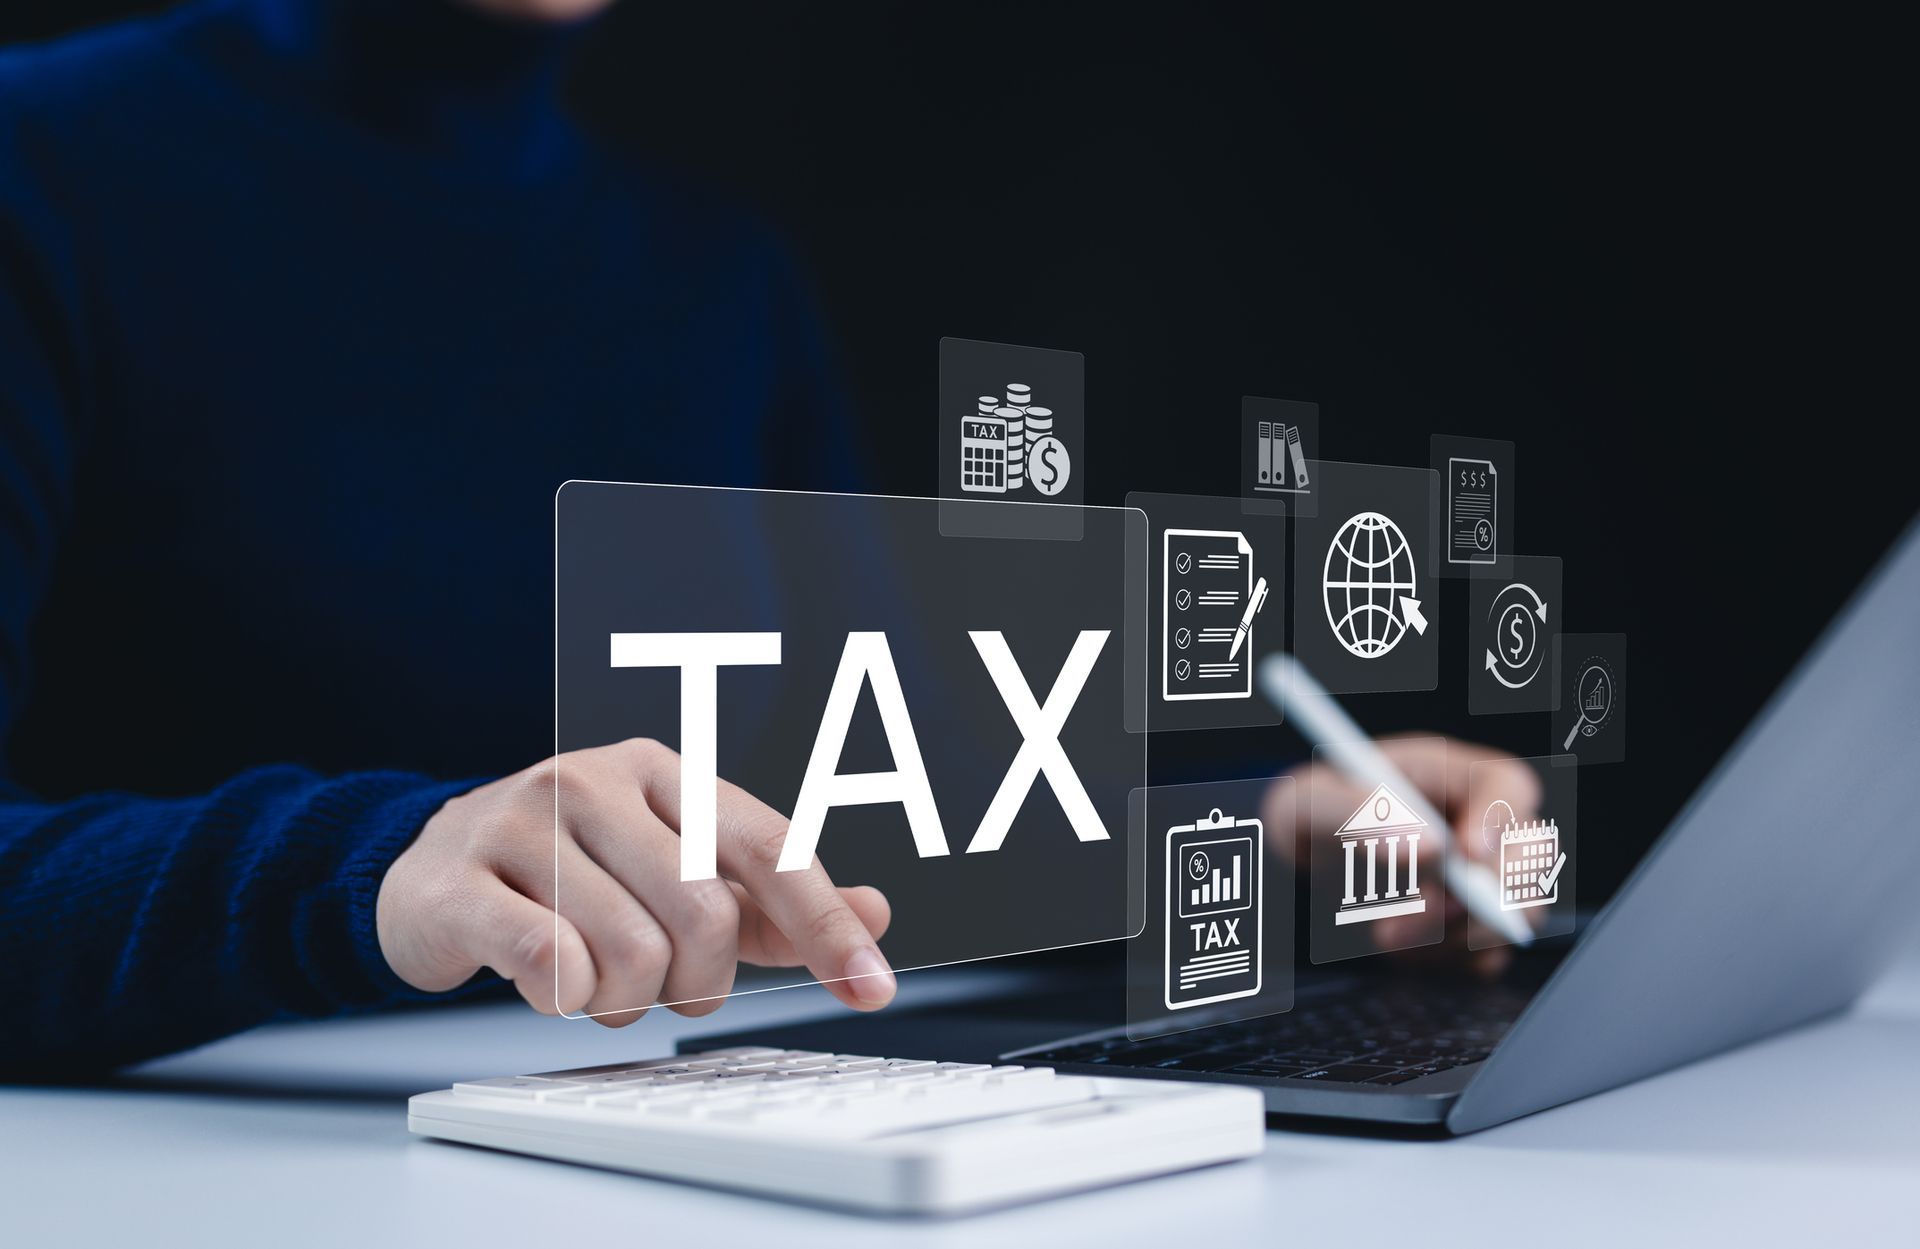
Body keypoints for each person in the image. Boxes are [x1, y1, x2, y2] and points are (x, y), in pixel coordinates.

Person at [0, 0, 1539, 1078]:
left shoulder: (715, 279)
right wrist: (377, 870)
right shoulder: (43, 170)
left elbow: (866, 841)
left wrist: (1266, 832)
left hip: (671, 1151)